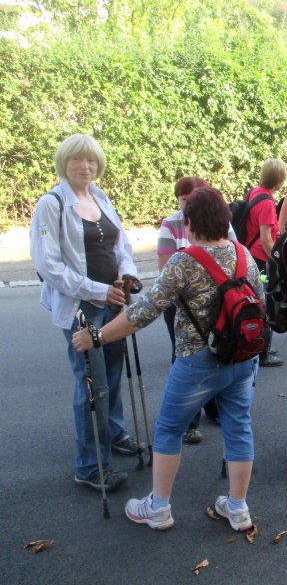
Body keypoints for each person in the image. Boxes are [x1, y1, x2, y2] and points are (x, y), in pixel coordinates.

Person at [73, 187, 262, 531]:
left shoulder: (184, 261)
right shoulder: (244, 254)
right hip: (241, 358)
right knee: (238, 427)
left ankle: (158, 508)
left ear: (189, 223)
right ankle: (238, 508)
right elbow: (258, 302)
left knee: (169, 429)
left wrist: (96, 336)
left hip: (197, 362)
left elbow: (143, 312)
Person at [30, 133, 138, 493]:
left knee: (114, 373)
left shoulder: (100, 197)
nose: (85, 166)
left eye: (91, 160)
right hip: (82, 309)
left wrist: (127, 274)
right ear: (64, 163)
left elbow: (122, 245)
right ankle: (90, 465)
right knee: (94, 385)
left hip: (114, 301)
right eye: (77, 159)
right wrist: (98, 290)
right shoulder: (51, 204)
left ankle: (113, 432)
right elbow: (48, 266)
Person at [157, 176, 236, 442]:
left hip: (219, 301)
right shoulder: (171, 224)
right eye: (183, 200)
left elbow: (234, 254)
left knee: (219, 352)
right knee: (184, 355)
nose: (186, 205)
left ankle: (214, 409)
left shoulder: (221, 223)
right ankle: (190, 421)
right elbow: (165, 271)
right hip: (181, 305)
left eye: (191, 200)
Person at [244, 158, 287, 368]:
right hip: (261, 259)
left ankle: (260, 348)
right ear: (278, 180)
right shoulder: (267, 203)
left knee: (257, 304)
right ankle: (263, 352)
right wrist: (277, 261)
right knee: (265, 305)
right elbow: (266, 239)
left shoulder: (255, 192)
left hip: (251, 256)